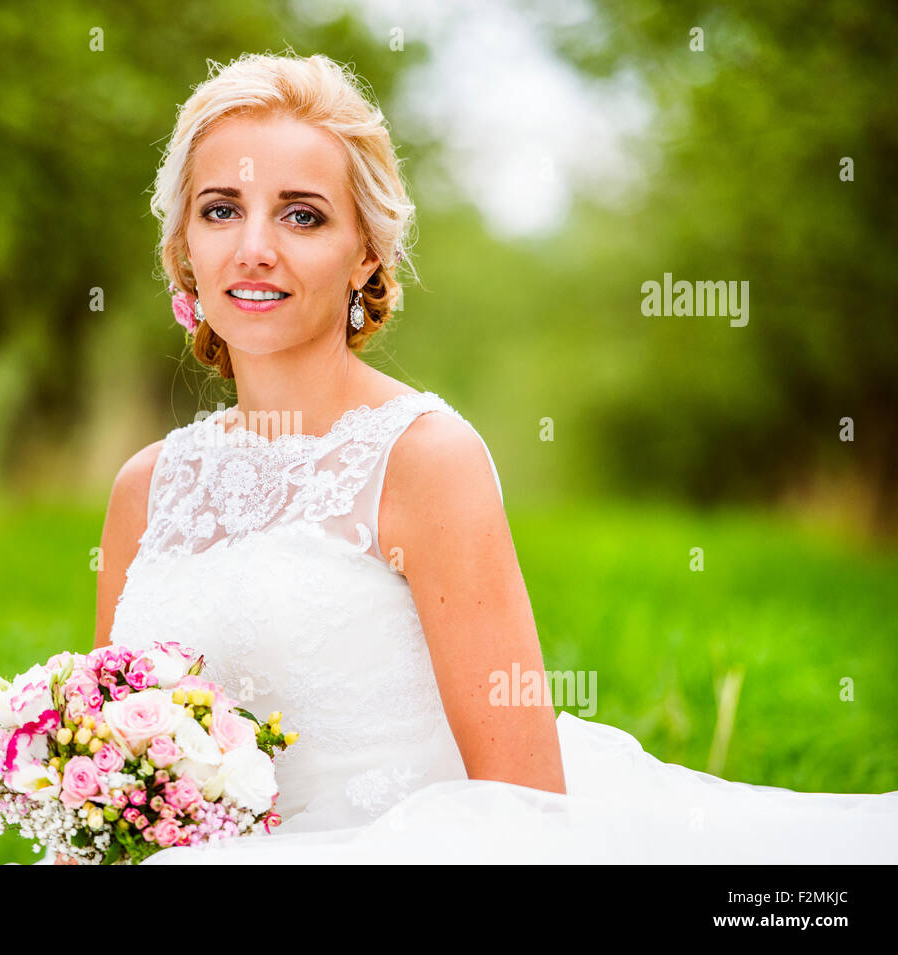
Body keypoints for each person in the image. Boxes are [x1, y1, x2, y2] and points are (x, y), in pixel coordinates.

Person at [53, 51, 898, 864]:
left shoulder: (423, 458)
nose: (254, 247)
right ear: (183, 249)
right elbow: (100, 769)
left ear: (366, 253)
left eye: (302, 213)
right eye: (221, 208)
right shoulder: (147, 487)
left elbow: (525, 802)